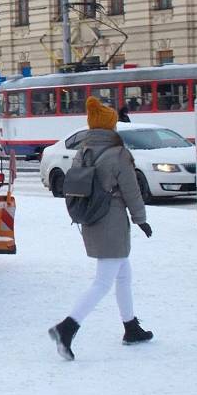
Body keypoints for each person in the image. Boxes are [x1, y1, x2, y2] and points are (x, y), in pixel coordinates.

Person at [48, 97, 153, 361]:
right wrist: (141, 219)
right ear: (110, 126)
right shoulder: (118, 153)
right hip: (112, 220)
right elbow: (131, 190)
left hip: (91, 218)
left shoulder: (84, 150)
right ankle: (67, 328)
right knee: (104, 281)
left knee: (123, 274)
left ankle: (130, 327)